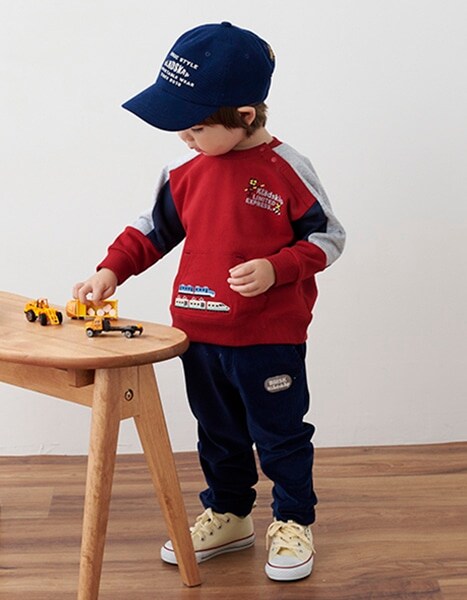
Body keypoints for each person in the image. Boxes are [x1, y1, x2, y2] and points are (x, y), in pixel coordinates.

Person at [73, 21, 345, 582]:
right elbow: (151, 231)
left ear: (244, 116)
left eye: (196, 126)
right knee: (217, 433)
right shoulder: (184, 172)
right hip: (197, 335)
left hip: (269, 338)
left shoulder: (287, 169)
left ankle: (293, 520)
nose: (184, 138)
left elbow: (328, 237)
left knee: (280, 435)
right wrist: (110, 270)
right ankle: (229, 513)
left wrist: (277, 268)